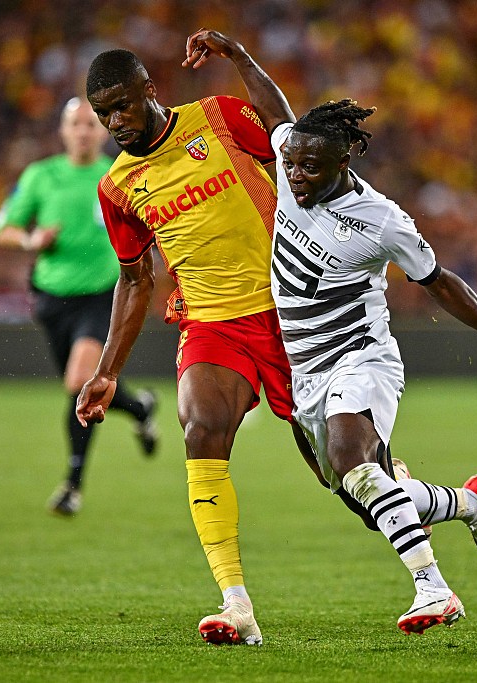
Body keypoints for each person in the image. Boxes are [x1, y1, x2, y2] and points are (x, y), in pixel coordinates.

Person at [182, 29, 477, 635]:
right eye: (291, 164)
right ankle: (467, 503)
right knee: (366, 494)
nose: (297, 176)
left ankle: (434, 590)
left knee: (349, 460)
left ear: (343, 162)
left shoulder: (383, 221)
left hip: (361, 357)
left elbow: (439, 281)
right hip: (305, 368)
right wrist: (237, 56)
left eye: (311, 167)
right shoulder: (291, 157)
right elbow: (274, 112)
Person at [76, 46, 401, 647]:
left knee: (346, 478)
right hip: (211, 324)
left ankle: (453, 504)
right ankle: (236, 603)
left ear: (149, 88)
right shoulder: (119, 186)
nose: (116, 121)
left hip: (290, 314)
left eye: (122, 105)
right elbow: (135, 278)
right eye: (104, 114)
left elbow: (292, 144)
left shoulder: (219, 118)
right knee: (200, 427)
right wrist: (107, 372)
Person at [0, 97, 159, 516]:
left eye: (91, 123)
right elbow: (3, 228)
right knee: (83, 385)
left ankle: (72, 485)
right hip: (51, 298)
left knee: (78, 381)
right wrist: (30, 241)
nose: (84, 131)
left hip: (104, 294)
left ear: (102, 130)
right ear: (64, 131)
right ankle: (139, 407)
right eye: (76, 124)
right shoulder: (41, 176)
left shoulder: (118, 175)